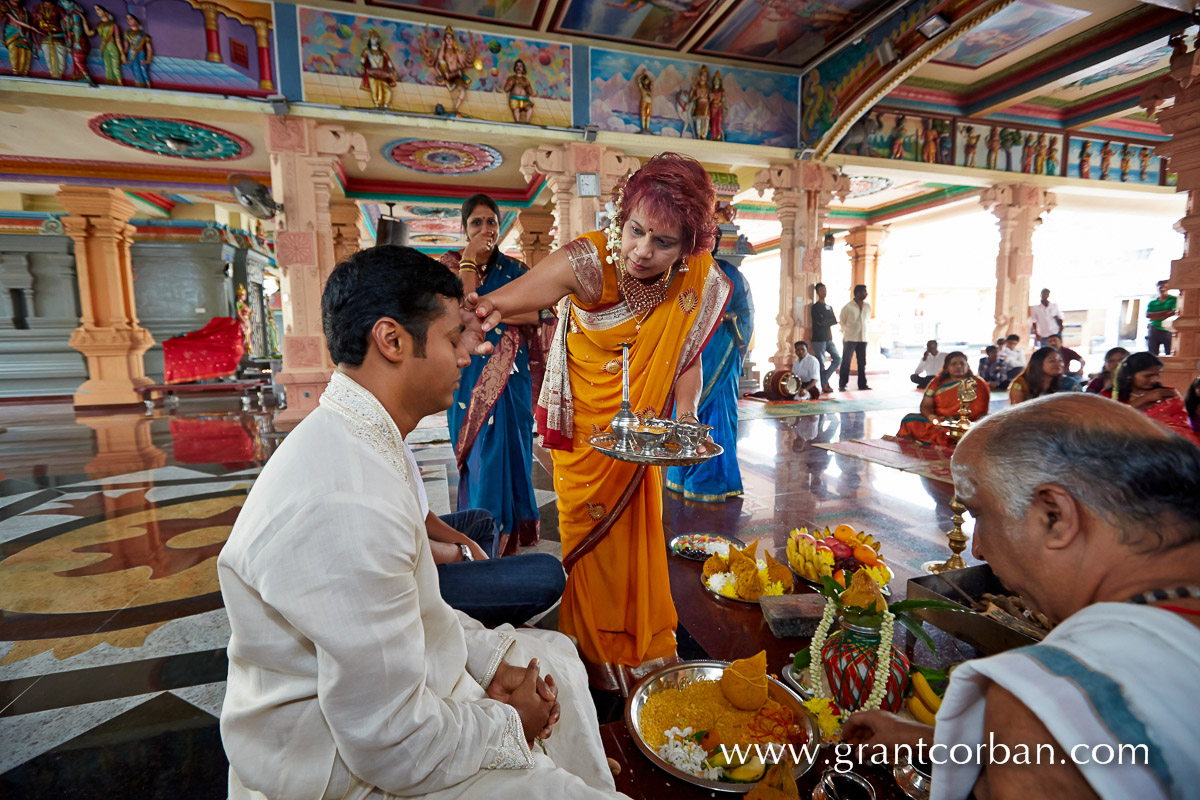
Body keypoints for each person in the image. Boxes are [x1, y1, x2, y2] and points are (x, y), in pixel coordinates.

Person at [218, 246, 623, 799]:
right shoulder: (349, 502)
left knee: (551, 655)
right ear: (392, 341)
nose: (469, 352)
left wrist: (489, 666)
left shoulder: (364, 436)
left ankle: (571, 765)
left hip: (382, 703)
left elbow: (417, 608)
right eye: (454, 336)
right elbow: (389, 743)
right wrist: (510, 726)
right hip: (332, 759)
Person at [844, 393, 1200, 800]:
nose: (977, 548)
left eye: (979, 513)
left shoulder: (1044, 705)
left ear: (1055, 516)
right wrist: (933, 741)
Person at [470, 153, 732, 692]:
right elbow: (503, 301)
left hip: (641, 434)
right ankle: (592, 653)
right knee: (585, 531)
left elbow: (686, 355)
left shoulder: (693, 278)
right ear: (622, 217)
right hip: (586, 430)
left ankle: (639, 645)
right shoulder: (589, 261)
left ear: (690, 246)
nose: (643, 250)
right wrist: (471, 312)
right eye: (636, 231)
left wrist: (682, 416)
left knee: (638, 532)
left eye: (664, 242)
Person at [440, 194, 542, 555]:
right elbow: (465, 307)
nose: (486, 229)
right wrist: (469, 260)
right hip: (469, 375)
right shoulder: (449, 269)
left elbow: (535, 315)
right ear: (464, 228)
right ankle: (480, 533)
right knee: (480, 452)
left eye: (491, 222)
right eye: (476, 223)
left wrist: (489, 312)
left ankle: (509, 534)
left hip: (510, 374)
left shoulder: (516, 270)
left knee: (511, 448)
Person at [666, 255, 753, 502]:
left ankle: (709, 482)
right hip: (692, 344)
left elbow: (744, 313)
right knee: (685, 409)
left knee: (719, 411)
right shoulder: (684, 268)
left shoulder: (729, 273)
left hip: (722, 347)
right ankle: (681, 475)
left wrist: (725, 318)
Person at [1104, 352, 1199, 446]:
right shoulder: (1109, 395)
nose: (1154, 380)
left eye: (1156, 375)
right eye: (1147, 376)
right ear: (1129, 375)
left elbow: (1180, 426)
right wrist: (1144, 399)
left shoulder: (1166, 395)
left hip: (1161, 449)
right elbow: (1105, 422)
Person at [896, 351, 989, 446]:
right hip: (940, 422)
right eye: (954, 364)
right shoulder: (937, 382)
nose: (959, 366)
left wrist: (956, 420)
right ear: (946, 367)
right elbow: (925, 405)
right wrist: (933, 418)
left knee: (987, 426)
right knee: (909, 419)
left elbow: (981, 411)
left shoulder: (978, 383)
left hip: (968, 424)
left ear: (967, 366)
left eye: (962, 363)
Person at [1008, 346, 1079, 404]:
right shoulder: (1020, 384)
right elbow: (1017, 413)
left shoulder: (1069, 384)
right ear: (1038, 364)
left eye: (1060, 360)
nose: (1059, 364)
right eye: (1052, 361)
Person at [809, 282, 841, 394]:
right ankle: (823, 384)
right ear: (817, 292)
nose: (824, 292)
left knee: (837, 359)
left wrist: (826, 321)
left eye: (825, 289)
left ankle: (824, 380)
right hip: (818, 339)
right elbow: (820, 322)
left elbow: (834, 320)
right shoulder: (815, 307)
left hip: (828, 338)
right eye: (822, 290)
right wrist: (827, 321)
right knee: (821, 362)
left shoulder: (829, 307)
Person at [839, 284, 871, 392]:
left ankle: (862, 384)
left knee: (862, 363)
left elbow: (867, 321)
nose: (866, 293)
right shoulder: (847, 307)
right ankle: (842, 384)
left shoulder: (867, 306)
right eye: (864, 291)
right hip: (850, 338)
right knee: (846, 362)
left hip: (863, 338)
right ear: (858, 293)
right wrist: (848, 332)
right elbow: (842, 322)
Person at [359, 28, 397, 110]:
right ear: (370, 40)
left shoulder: (383, 52)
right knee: (374, 88)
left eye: (376, 38)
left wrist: (393, 70)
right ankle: (376, 104)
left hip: (382, 73)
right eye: (373, 38)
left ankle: (386, 103)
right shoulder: (366, 51)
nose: (375, 40)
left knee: (386, 89)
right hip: (372, 73)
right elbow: (362, 61)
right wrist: (362, 62)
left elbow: (388, 62)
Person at [1146, 279, 1177, 356]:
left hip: (1168, 329)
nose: (1162, 289)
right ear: (1157, 288)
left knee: (1170, 353)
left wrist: (1156, 316)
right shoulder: (1152, 302)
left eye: (1165, 287)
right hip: (1154, 329)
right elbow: (1148, 315)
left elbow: (1173, 313)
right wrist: (1165, 312)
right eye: (1160, 287)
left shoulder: (1174, 299)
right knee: (1152, 354)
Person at [502, 58, 534, 124]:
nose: (518, 68)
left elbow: (530, 92)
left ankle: (527, 122)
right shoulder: (511, 78)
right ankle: (517, 122)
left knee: (530, 109)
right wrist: (509, 84)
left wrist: (529, 90)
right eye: (517, 66)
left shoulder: (526, 80)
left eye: (520, 66)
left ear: (523, 69)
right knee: (516, 110)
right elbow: (506, 89)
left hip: (524, 99)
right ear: (515, 68)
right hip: (514, 99)